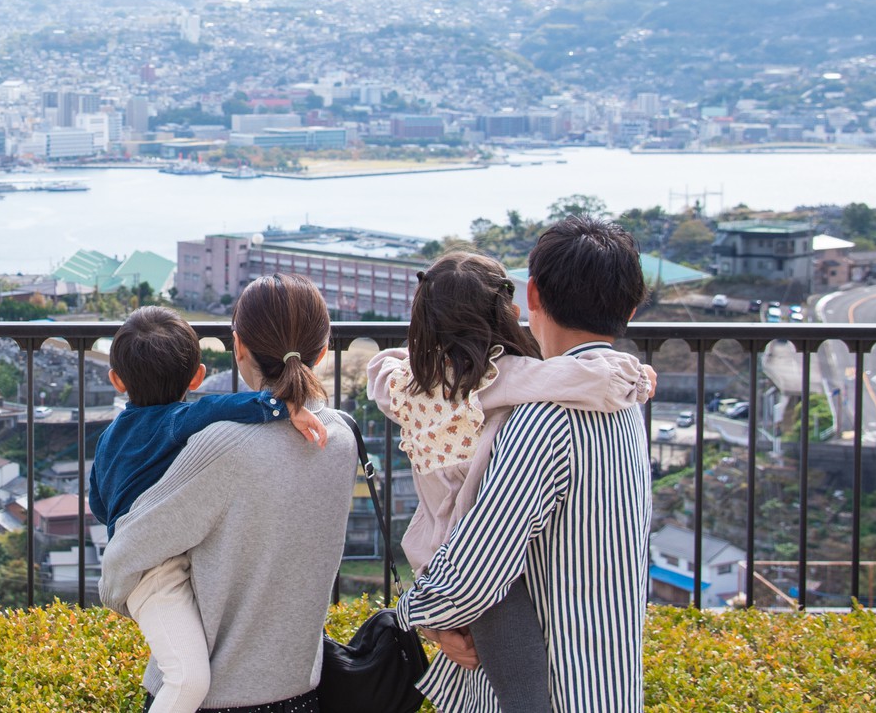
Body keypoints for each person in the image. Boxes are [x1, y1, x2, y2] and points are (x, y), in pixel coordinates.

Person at [366, 250, 654, 713]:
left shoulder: (535, 419)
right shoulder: (614, 408)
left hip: (443, 551)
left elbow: (473, 577)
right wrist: (632, 377)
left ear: (534, 292)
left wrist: (412, 616)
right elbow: (564, 377)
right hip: (607, 680)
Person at [99, 275, 357, 713]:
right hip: (299, 688)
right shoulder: (341, 437)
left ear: (238, 347)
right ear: (323, 350)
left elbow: (127, 553)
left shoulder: (223, 446)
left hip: (211, 698)